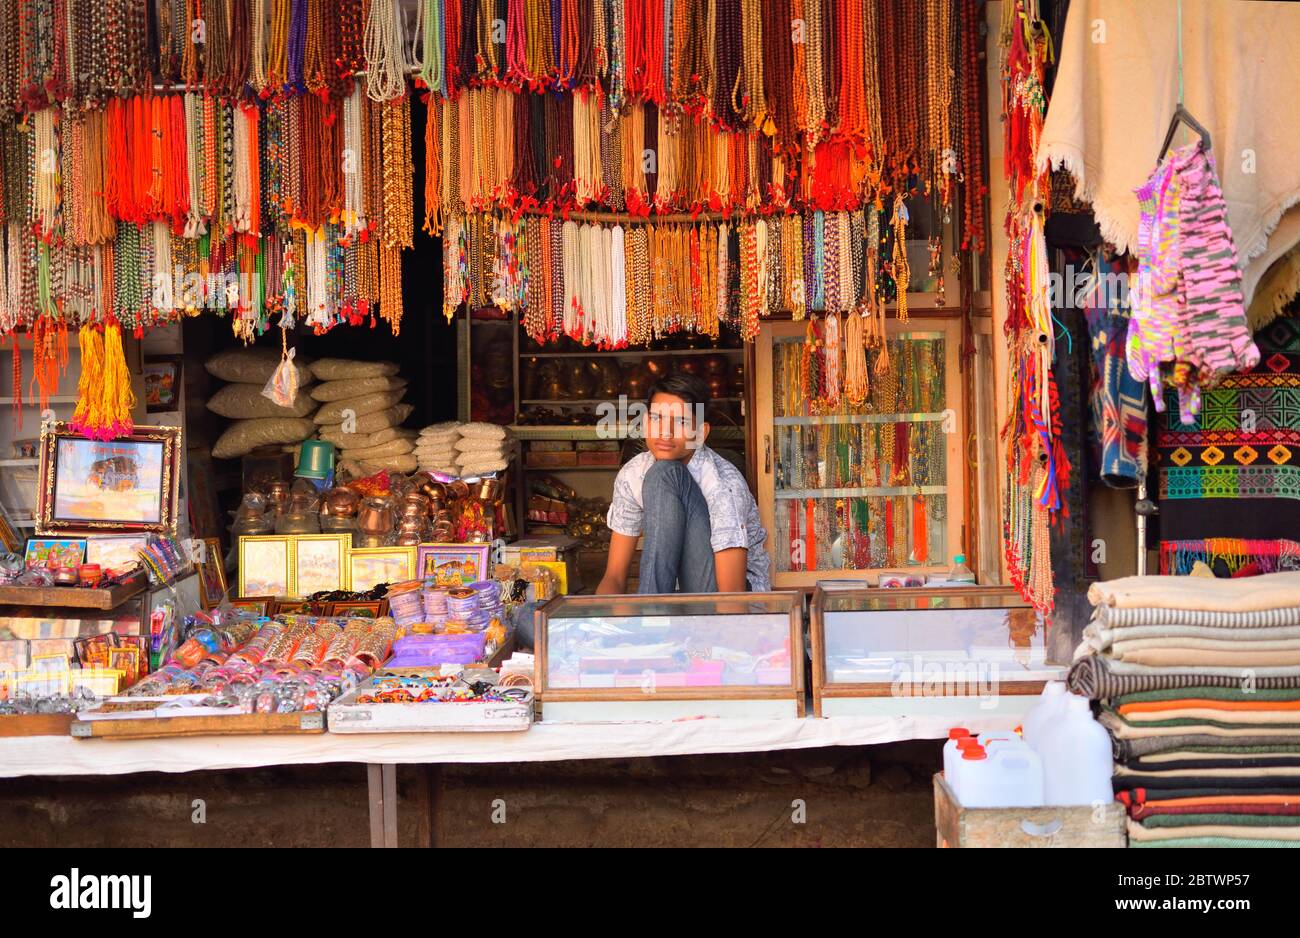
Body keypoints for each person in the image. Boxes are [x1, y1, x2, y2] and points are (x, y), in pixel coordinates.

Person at [596, 373, 771, 594]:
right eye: (657, 418)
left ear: (701, 432)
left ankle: (652, 613)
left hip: (729, 602)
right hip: (678, 599)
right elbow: (614, 576)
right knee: (662, 475)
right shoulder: (633, 474)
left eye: (681, 421)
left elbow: (732, 595)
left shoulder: (723, 484)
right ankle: (654, 613)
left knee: (665, 474)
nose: (665, 433)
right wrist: (603, 622)